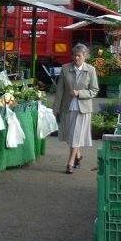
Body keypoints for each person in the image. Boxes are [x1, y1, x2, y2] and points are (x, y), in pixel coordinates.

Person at [53, 43, 99, 174]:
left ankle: (70, 163)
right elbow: (60, 90)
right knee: (70, 135)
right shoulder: (65, 68)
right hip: (67, 108)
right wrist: (55, 109)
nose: (76, 58)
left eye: (79, 55)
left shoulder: (91, 70)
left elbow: (94, 90)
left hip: (83, 109)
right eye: (74, 55)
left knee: (76, 135)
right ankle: (78, 155)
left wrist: (80, 93)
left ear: (85, 56)